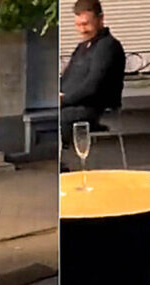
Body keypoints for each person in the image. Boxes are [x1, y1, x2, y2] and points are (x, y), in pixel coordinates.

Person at [60, 0, 125, 170]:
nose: (82, 29)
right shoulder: (82, 47)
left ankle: (62, 171)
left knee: (58, 120)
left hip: (96, 109)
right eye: (78, 25)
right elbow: (66, 77)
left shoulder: (108, 47)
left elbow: (93, 86)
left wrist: (64, 99)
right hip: (74, 106)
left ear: (101, 19)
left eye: (86, 24)